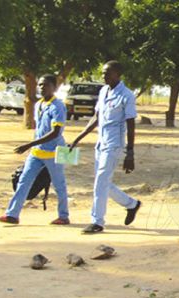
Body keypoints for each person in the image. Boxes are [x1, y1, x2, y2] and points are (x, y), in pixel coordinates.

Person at [69, 61, 141, 234]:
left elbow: (131, 124)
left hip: (114, 145)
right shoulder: (103, 91)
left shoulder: (127, 95)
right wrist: (78, 138)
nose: (104, 76)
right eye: (102, 73)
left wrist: (130, 152)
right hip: (100, 143)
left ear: (117, 74)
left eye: (107, 73)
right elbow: (97, 117)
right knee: (102, 182)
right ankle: (131, 204)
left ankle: (97, 222)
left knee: (101, 181)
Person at [0, 74, 70, 225]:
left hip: (54, 152)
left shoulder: (58, 106)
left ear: (54, 87)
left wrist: (29, 144)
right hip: (36, 152)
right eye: (40, 85)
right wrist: (33, 146)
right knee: (23, 181)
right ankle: (12, 214)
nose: (42, 88)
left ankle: (64, 216)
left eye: (46, 85)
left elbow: (55, 133)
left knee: (59, 184)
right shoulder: (38, 104)